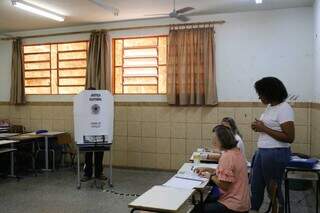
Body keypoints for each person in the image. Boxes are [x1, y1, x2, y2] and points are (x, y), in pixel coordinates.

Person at [250, 77, 295, 213]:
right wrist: (258, 127)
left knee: (273, 187)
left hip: (276, 152)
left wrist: (263, 128)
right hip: (263, 151)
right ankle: (254, 209)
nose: (259, 97)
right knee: (256, 183)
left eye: (261, 93)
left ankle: (279, 207)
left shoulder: (284, 109)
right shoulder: (270, 107)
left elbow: (289, 137)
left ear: (270, 93)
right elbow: (269, 127)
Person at [195, 125, 250, 213]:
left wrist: (210, 176)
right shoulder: (236, 151)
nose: (213, 141)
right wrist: (208, 169)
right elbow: (227, 175)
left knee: (197, 208)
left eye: (214, 138)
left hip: (233, 206)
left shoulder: (227, 156)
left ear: (222, 140)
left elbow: (224, 185)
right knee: (205, 199)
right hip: (242, 202)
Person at [81, 87, 107, 182]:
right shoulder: (83, 106)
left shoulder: (101, 104)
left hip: (99, 132)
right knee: (88, 154)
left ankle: (98, 173)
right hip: (88, 133)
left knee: (99, 154)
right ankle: (87, 174)